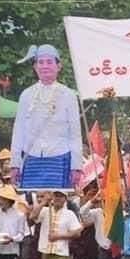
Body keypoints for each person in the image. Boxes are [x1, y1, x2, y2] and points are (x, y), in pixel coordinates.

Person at [11, 44, 83, 190]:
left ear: (59, 66)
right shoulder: (26, 95)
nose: (45, 66)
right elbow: (18, 131)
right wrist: (15, 163)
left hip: (60, 156)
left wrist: (76, 166)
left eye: (49, 62)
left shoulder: (68, 95)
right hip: (31, 157)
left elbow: (75, 134)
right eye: (41, 62)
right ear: (35, 67)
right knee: (32, 204)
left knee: (57, 204)